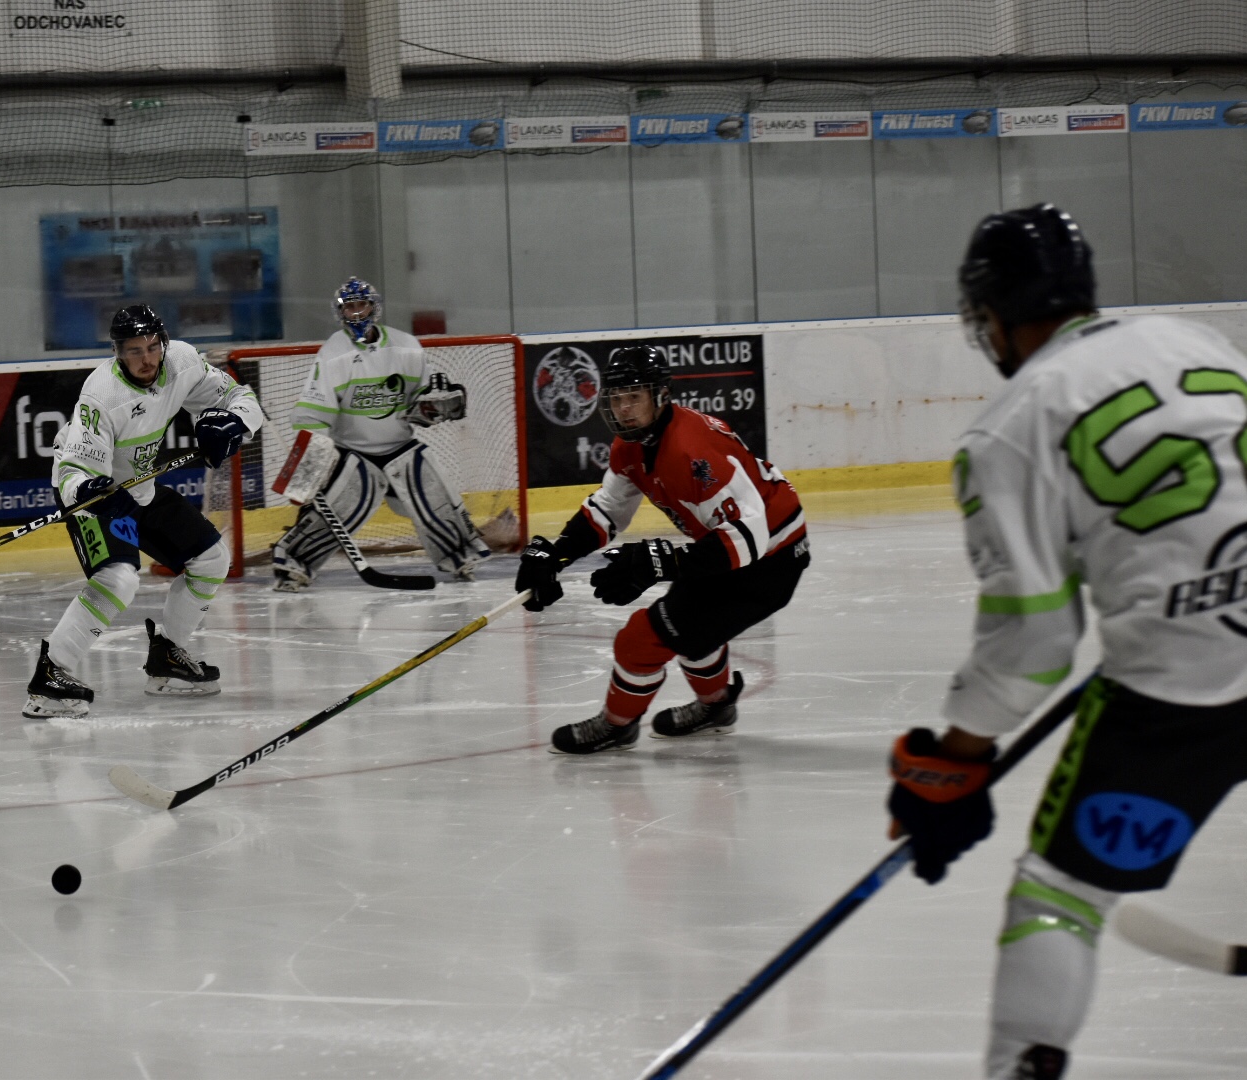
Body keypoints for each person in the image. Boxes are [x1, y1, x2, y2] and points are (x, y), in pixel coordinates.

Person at [882, 204, 1247, 1079]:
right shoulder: (1196, 341)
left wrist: (952, 766)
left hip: (1187, 687)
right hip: (1204, 641)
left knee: (1060, 895)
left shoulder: (1008, 426)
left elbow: (1035, 640)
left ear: (992, 315)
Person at [514, 344, 809, 754]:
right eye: (617, 398)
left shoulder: (693, 449)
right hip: (739, 549)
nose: (624, 409)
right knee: (689, 627)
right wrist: (557, 554)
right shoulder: (630, 446)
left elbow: (749, 536)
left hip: (770, 559)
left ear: (661, 395)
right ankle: (716, 707)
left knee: (641, 640)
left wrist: (662, 562)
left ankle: (616, 725)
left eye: (634, 396)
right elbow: (608, 509)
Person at [23, 304, 265, 718]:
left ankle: (168, 657)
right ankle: (50, 677)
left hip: (138, 486)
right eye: (134, 350)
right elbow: (74, 470)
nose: (146, 359)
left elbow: (238, 396)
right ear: (118, 352)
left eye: (152, 347)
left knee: (211, 558)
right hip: (94, 493)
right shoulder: (102, 395)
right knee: (118, 579)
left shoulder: (183, 361)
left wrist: (233, 422)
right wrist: (90, 491)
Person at [270, 277, 488, 591]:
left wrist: (436, 406)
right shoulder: (333, 354)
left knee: (433, 493)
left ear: (375, 307)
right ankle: (293, 563)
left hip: (400, 446)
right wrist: (313, 462)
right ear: (340, 312)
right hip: (353, 451)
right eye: (350, 307)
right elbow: (313, 413)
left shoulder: (406, 347)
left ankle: (460, 555)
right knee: (341, 508)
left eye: (362, 305)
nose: (357, 313)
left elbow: (421, 400)